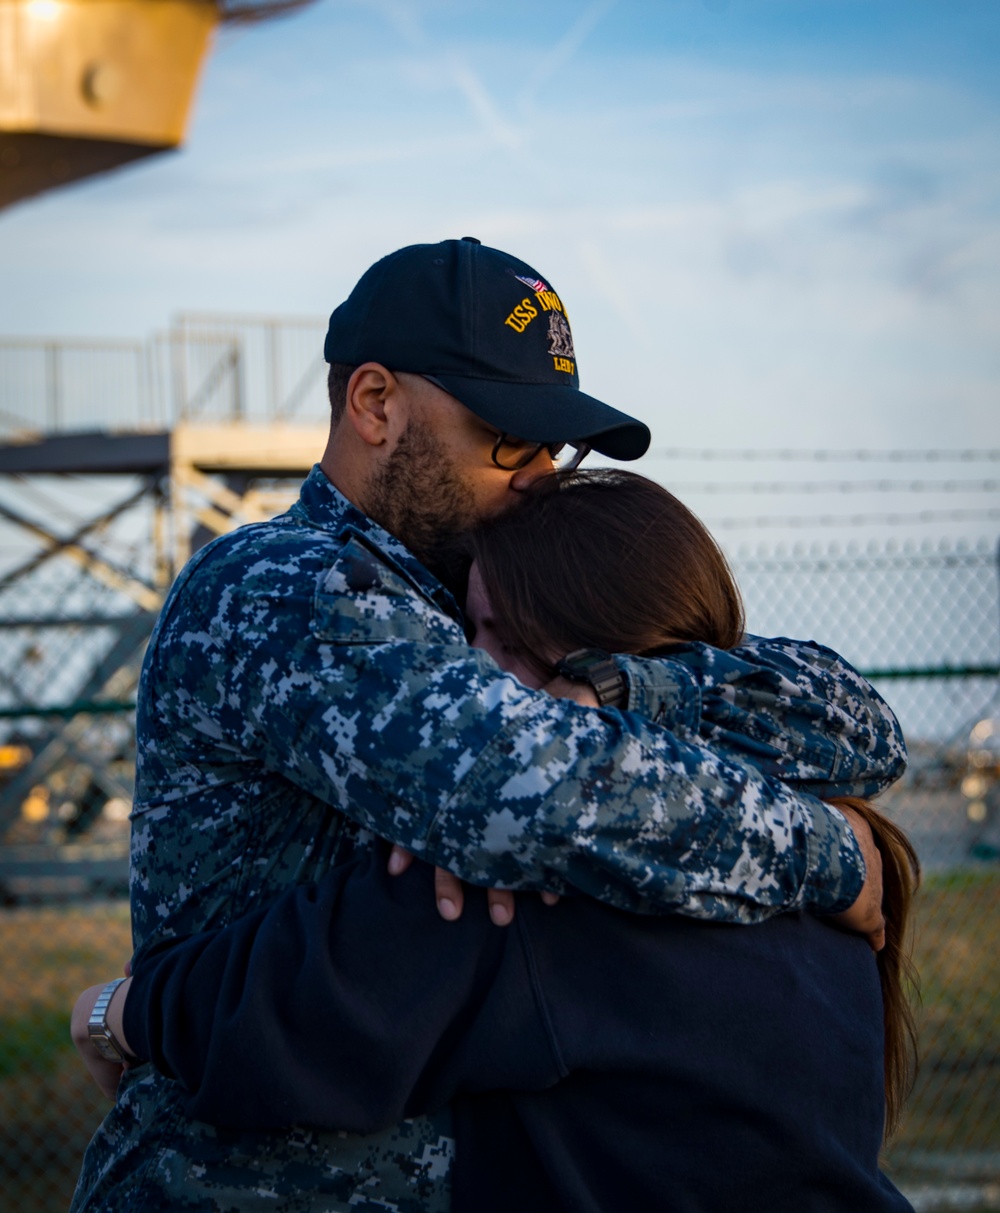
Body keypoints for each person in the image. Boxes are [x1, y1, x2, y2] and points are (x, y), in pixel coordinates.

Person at [69, 238, 905, 1213]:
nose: (542, 474)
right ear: (375, 404)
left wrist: (635, 692)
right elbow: (540, 798)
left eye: (556, 444)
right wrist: (831, 852)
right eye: (509, 437)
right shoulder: (288, 588)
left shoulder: (479, 600)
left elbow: (860, 724)